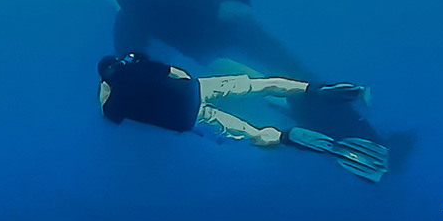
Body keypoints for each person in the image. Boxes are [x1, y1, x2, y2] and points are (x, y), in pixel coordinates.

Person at [96, 52, 390, 182]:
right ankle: (329, 91)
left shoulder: (113, 104)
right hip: (202, 88)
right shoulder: (139, 65)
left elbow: (107, 116)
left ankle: (310, 142)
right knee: (263, 85)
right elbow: (180, 74)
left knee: (256, 134)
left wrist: (106, 89)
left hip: (194, 119)